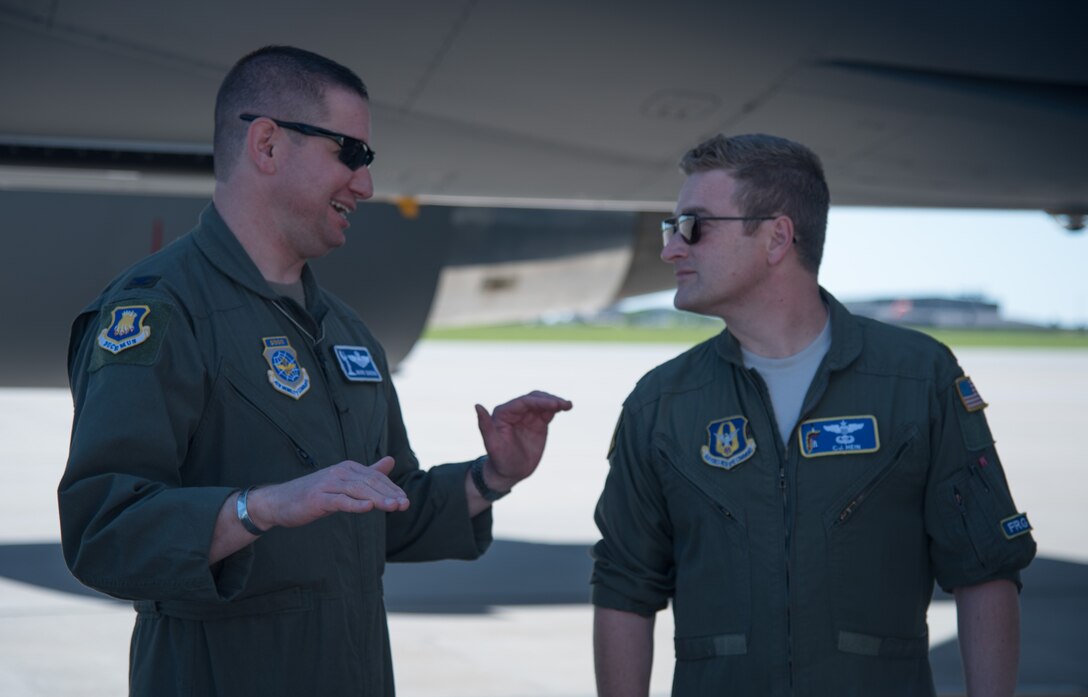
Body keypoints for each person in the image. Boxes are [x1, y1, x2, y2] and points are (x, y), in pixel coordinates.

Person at [57, 45, 571, 697]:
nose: (366, 184)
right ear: (267, 145)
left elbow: (387, 508)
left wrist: (491, 476)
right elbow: (105, 533)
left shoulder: (348, 334)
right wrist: (260, 506)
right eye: (349, 154)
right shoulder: (159, 312)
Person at [590, 133, 1035, 696]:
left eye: (694, 226)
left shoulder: (917, 378)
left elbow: (985, 567)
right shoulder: (661, 403)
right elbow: (625, 587)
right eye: (670, 229)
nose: (671, 249)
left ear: (777, 236)